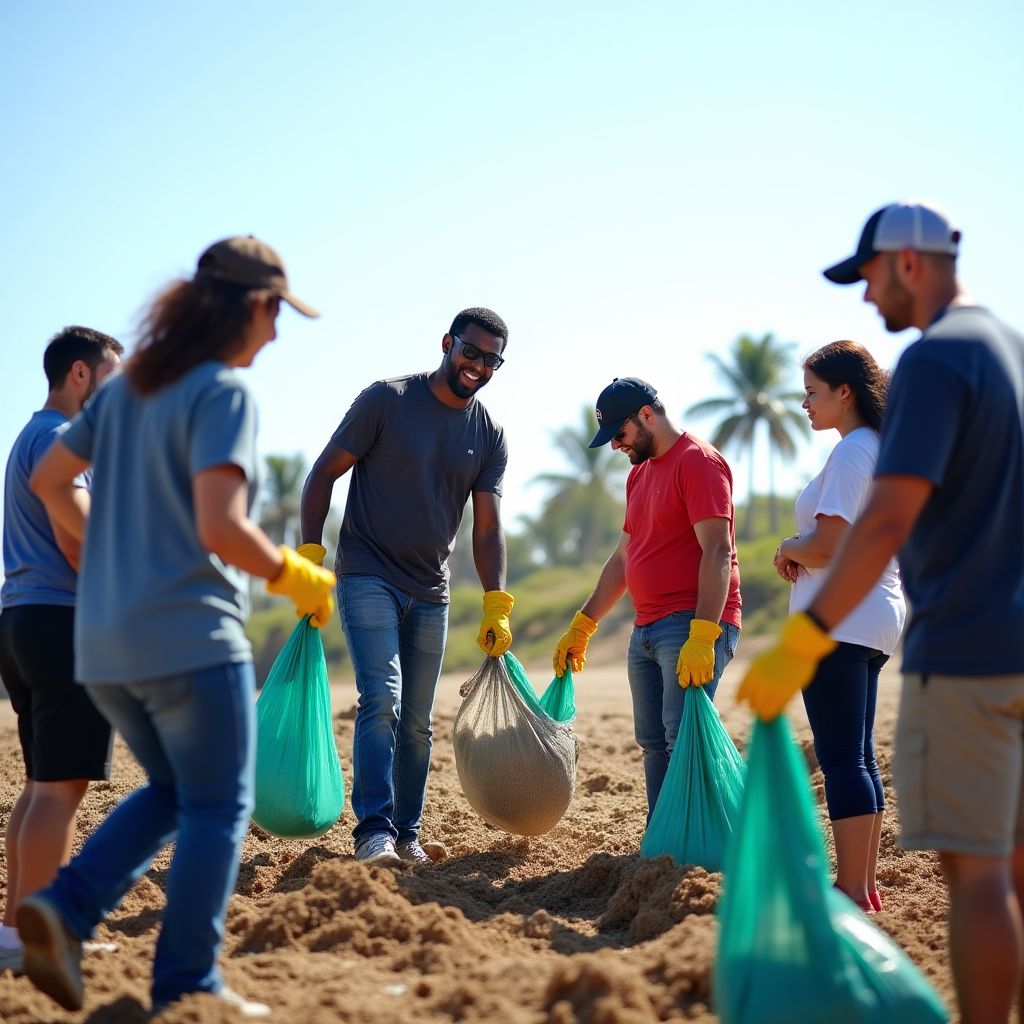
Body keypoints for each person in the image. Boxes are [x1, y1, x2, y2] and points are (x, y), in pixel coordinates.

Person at [18, 236, 335, 1018]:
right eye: (276, 315)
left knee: (173, 790)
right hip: (189, 637)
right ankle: (189, 982)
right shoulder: (221, 392)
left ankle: (65, 907)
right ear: (251, 308)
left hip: (103, 642)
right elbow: (222, 525)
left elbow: (48, 478)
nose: (276, 333)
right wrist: (296, 576)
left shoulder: (125, 395)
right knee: (221, 804)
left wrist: (102, 555)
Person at [739, 200, 1024, 1024]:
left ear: (907, 261)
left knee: (976, 879)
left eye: (866, 275)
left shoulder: (937, 361)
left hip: (966, 650)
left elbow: (886, 521)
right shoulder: (1008, 350)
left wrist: (804, 635)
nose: (867, 298)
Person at [299, 307, 512, 868]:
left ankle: (406, 833)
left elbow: (487, 527)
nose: (479, 366)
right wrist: (311, 556)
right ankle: (372, 832)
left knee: (418, 722)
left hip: (431, 591)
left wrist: (497, 601)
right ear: (448, 343)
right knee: (383, 699)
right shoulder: (386, 400)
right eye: (471, 352)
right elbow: (323, 473)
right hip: (367, 573)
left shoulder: (488, 434)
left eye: (493, 360)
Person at [553, 377, 742, 817]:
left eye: (619, 434)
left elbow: (718, 549)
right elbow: (623, 558)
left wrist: (703, 633)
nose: (617, 447)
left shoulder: (698, 462)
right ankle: (663, 841)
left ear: (647, 416)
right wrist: (583, 625)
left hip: (692, 624)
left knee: (683, 740)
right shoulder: (639, 475)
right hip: (646, 630)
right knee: (654, 743)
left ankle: (694, 844)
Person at [0, 327, 123, 974]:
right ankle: (37, 938)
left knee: (41, 787)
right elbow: (79, 544)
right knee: (59, 791)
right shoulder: (58, 440)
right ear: (80, 375)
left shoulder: (32, 435)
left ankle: (15, 929)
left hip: (23, 621)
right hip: (62, 622)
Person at [773, 341, 905, 913]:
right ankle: (865, 885)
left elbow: (829, 544)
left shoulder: (854, 452)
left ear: (843, 392)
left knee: (843, 759)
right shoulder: (877, 449)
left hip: (841, 622)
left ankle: (851, 887)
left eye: (811, 391)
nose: (804, 403)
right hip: (872, 620)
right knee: (859, 757)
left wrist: (788, 547)